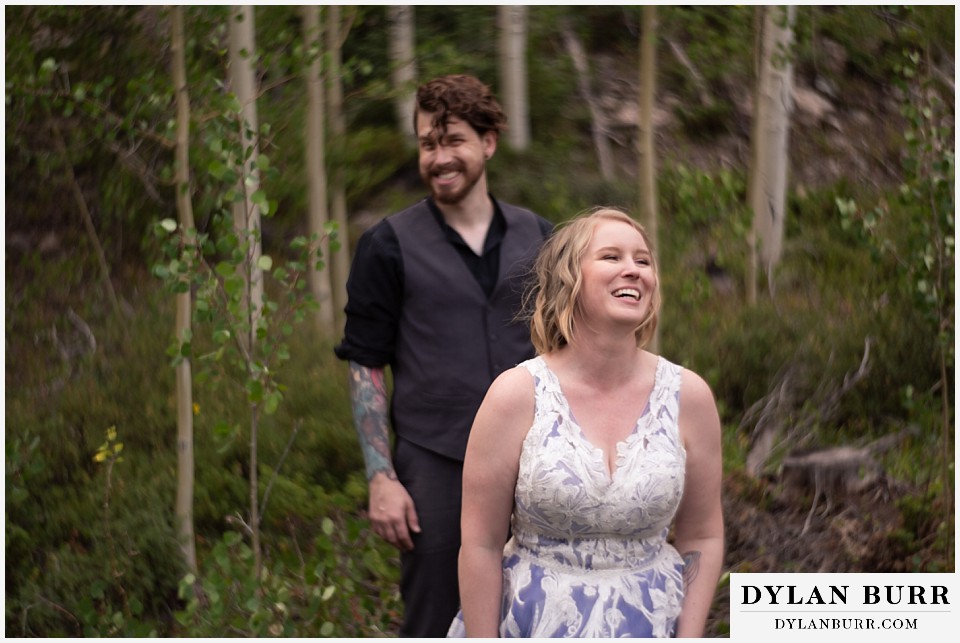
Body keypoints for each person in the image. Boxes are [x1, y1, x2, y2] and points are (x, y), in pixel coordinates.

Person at [334, 74, 554, 638]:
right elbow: (365, 364)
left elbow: (571, 349)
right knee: (434, 619)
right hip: (434, 465)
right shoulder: (386, 245)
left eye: (453, 140)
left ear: (488, 142)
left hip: (540, 462)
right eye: (428, 144)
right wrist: (381, 476)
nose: (439, 157)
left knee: (544, 606)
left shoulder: (542, 238)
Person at [449, 207, 725, 638]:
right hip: (533, 623)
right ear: (569, 279)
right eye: (612, 257)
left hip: (651, 623)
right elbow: (481, 546)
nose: (633, 270)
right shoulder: (516, 395)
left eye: (644, 260)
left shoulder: (689, 396)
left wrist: (688, 635)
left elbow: (702, 536)